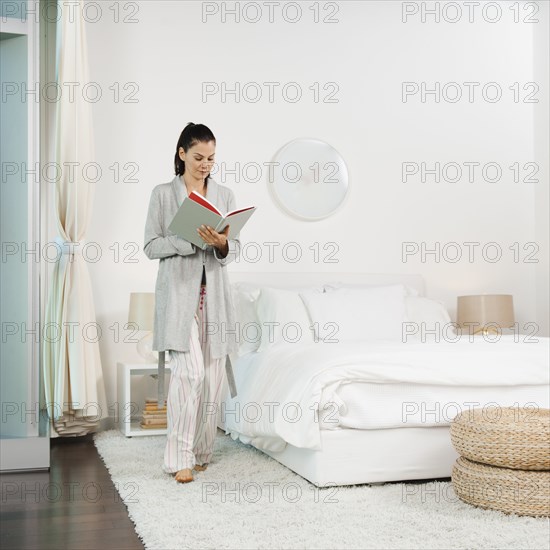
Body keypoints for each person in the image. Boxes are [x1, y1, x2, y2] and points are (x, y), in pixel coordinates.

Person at [143, 122, 241, 483]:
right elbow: (151, 245)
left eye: (211, 158)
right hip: (180, 301)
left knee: (213, 379)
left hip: (214, 299)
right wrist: (188, 240)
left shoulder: (225, 195)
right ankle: (178, 457)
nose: (205, 164)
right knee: (189, 374)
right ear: (182, 153)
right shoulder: (162, 195)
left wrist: (220, 244)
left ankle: (201, 452)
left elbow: (234, 249)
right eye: (199, 157)